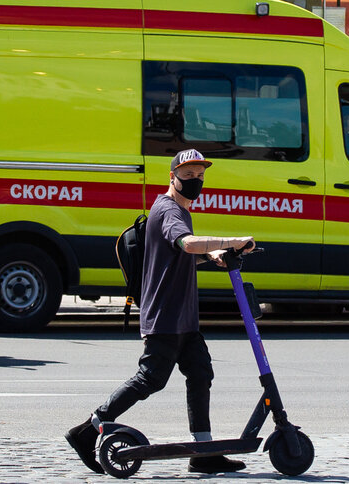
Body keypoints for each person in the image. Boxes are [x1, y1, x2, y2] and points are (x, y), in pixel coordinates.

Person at [66, 149, 255, 475]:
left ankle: (203, 451)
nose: (195, 181)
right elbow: (187, 244)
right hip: (167, 314)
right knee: (149, 379)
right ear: (172, 177)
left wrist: (212, 256)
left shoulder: (180, 210)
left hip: (183, 315)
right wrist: (233, 240)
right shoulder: (168, 209)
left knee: (200, 374)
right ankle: (88, 429)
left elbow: (181, 255)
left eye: (199, 175)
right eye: (188, 175)